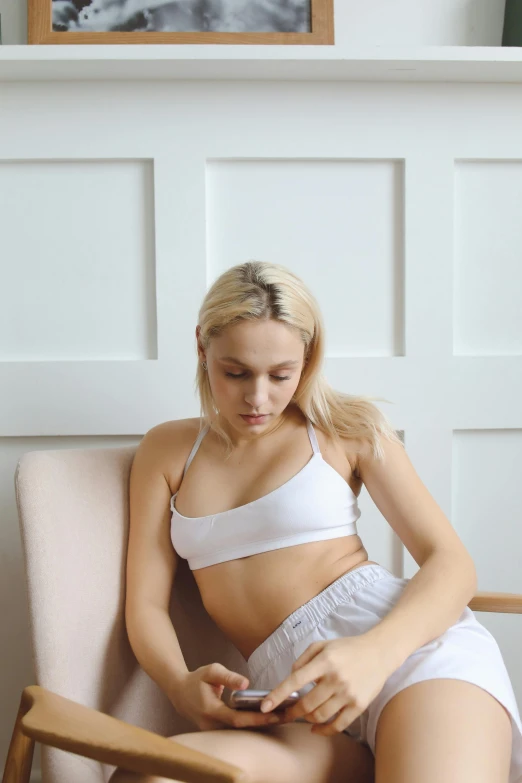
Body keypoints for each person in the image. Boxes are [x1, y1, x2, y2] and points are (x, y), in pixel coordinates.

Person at [110, 260, 522, 783]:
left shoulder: (344, 430)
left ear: (308, 358)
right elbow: (144, 603)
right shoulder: (167, 451)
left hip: (413, 656)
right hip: (295, 700)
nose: (258, 398)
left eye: (281, 375)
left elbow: (453, 565)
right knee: (149, 777)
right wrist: (176, 682)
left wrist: (375, 656)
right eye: (234, 372)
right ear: (201, 347)